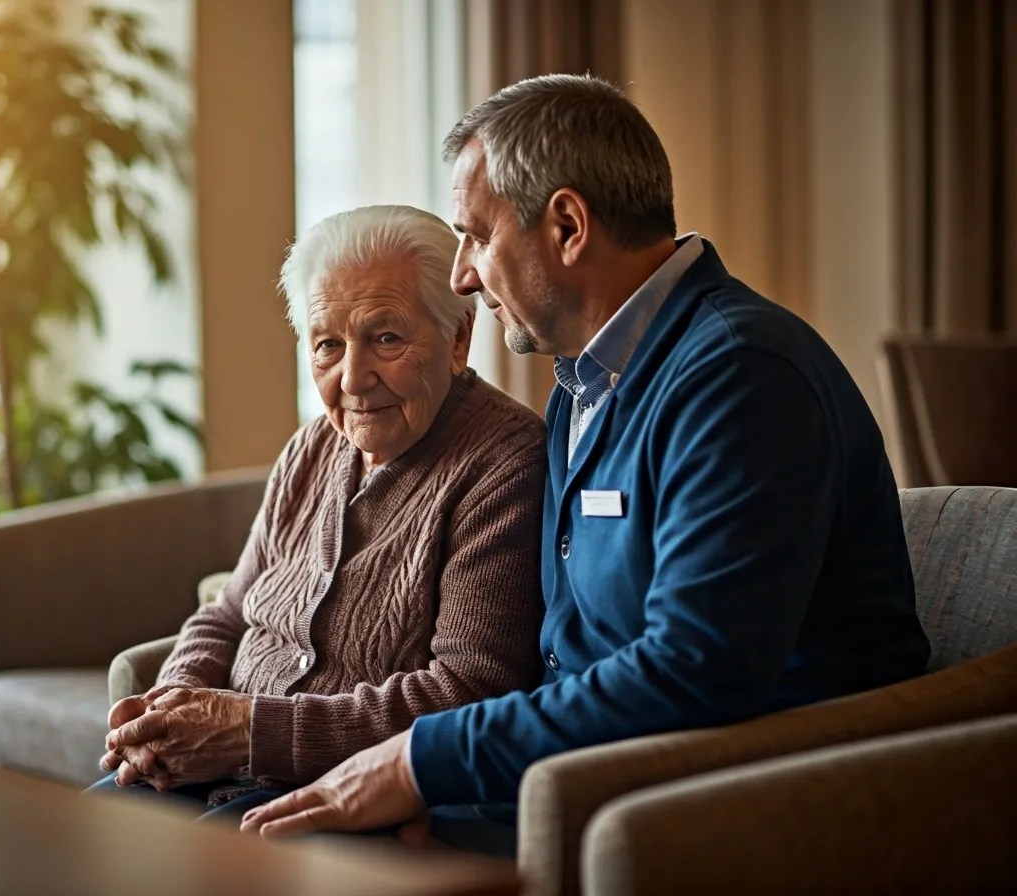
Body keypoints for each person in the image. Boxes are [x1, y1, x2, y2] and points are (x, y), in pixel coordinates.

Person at [240, 74, 931, 855]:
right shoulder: (584, 385)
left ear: (568, 225)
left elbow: (691, 674)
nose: (464, 272)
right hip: (570, 787)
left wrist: (422, 762)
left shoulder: (741, 377)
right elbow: (566, 654)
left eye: (477, 234)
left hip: (729, 802)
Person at [88, 204, 547, 823]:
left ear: (458, 336)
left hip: (347, 796)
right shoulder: (311, 449)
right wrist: (172, 707)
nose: (353, 379)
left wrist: (253, 733)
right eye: (328, 345)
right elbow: (229, 612)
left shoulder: (505, 462)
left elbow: (464, 694)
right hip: (220, 769)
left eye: (386, 338)